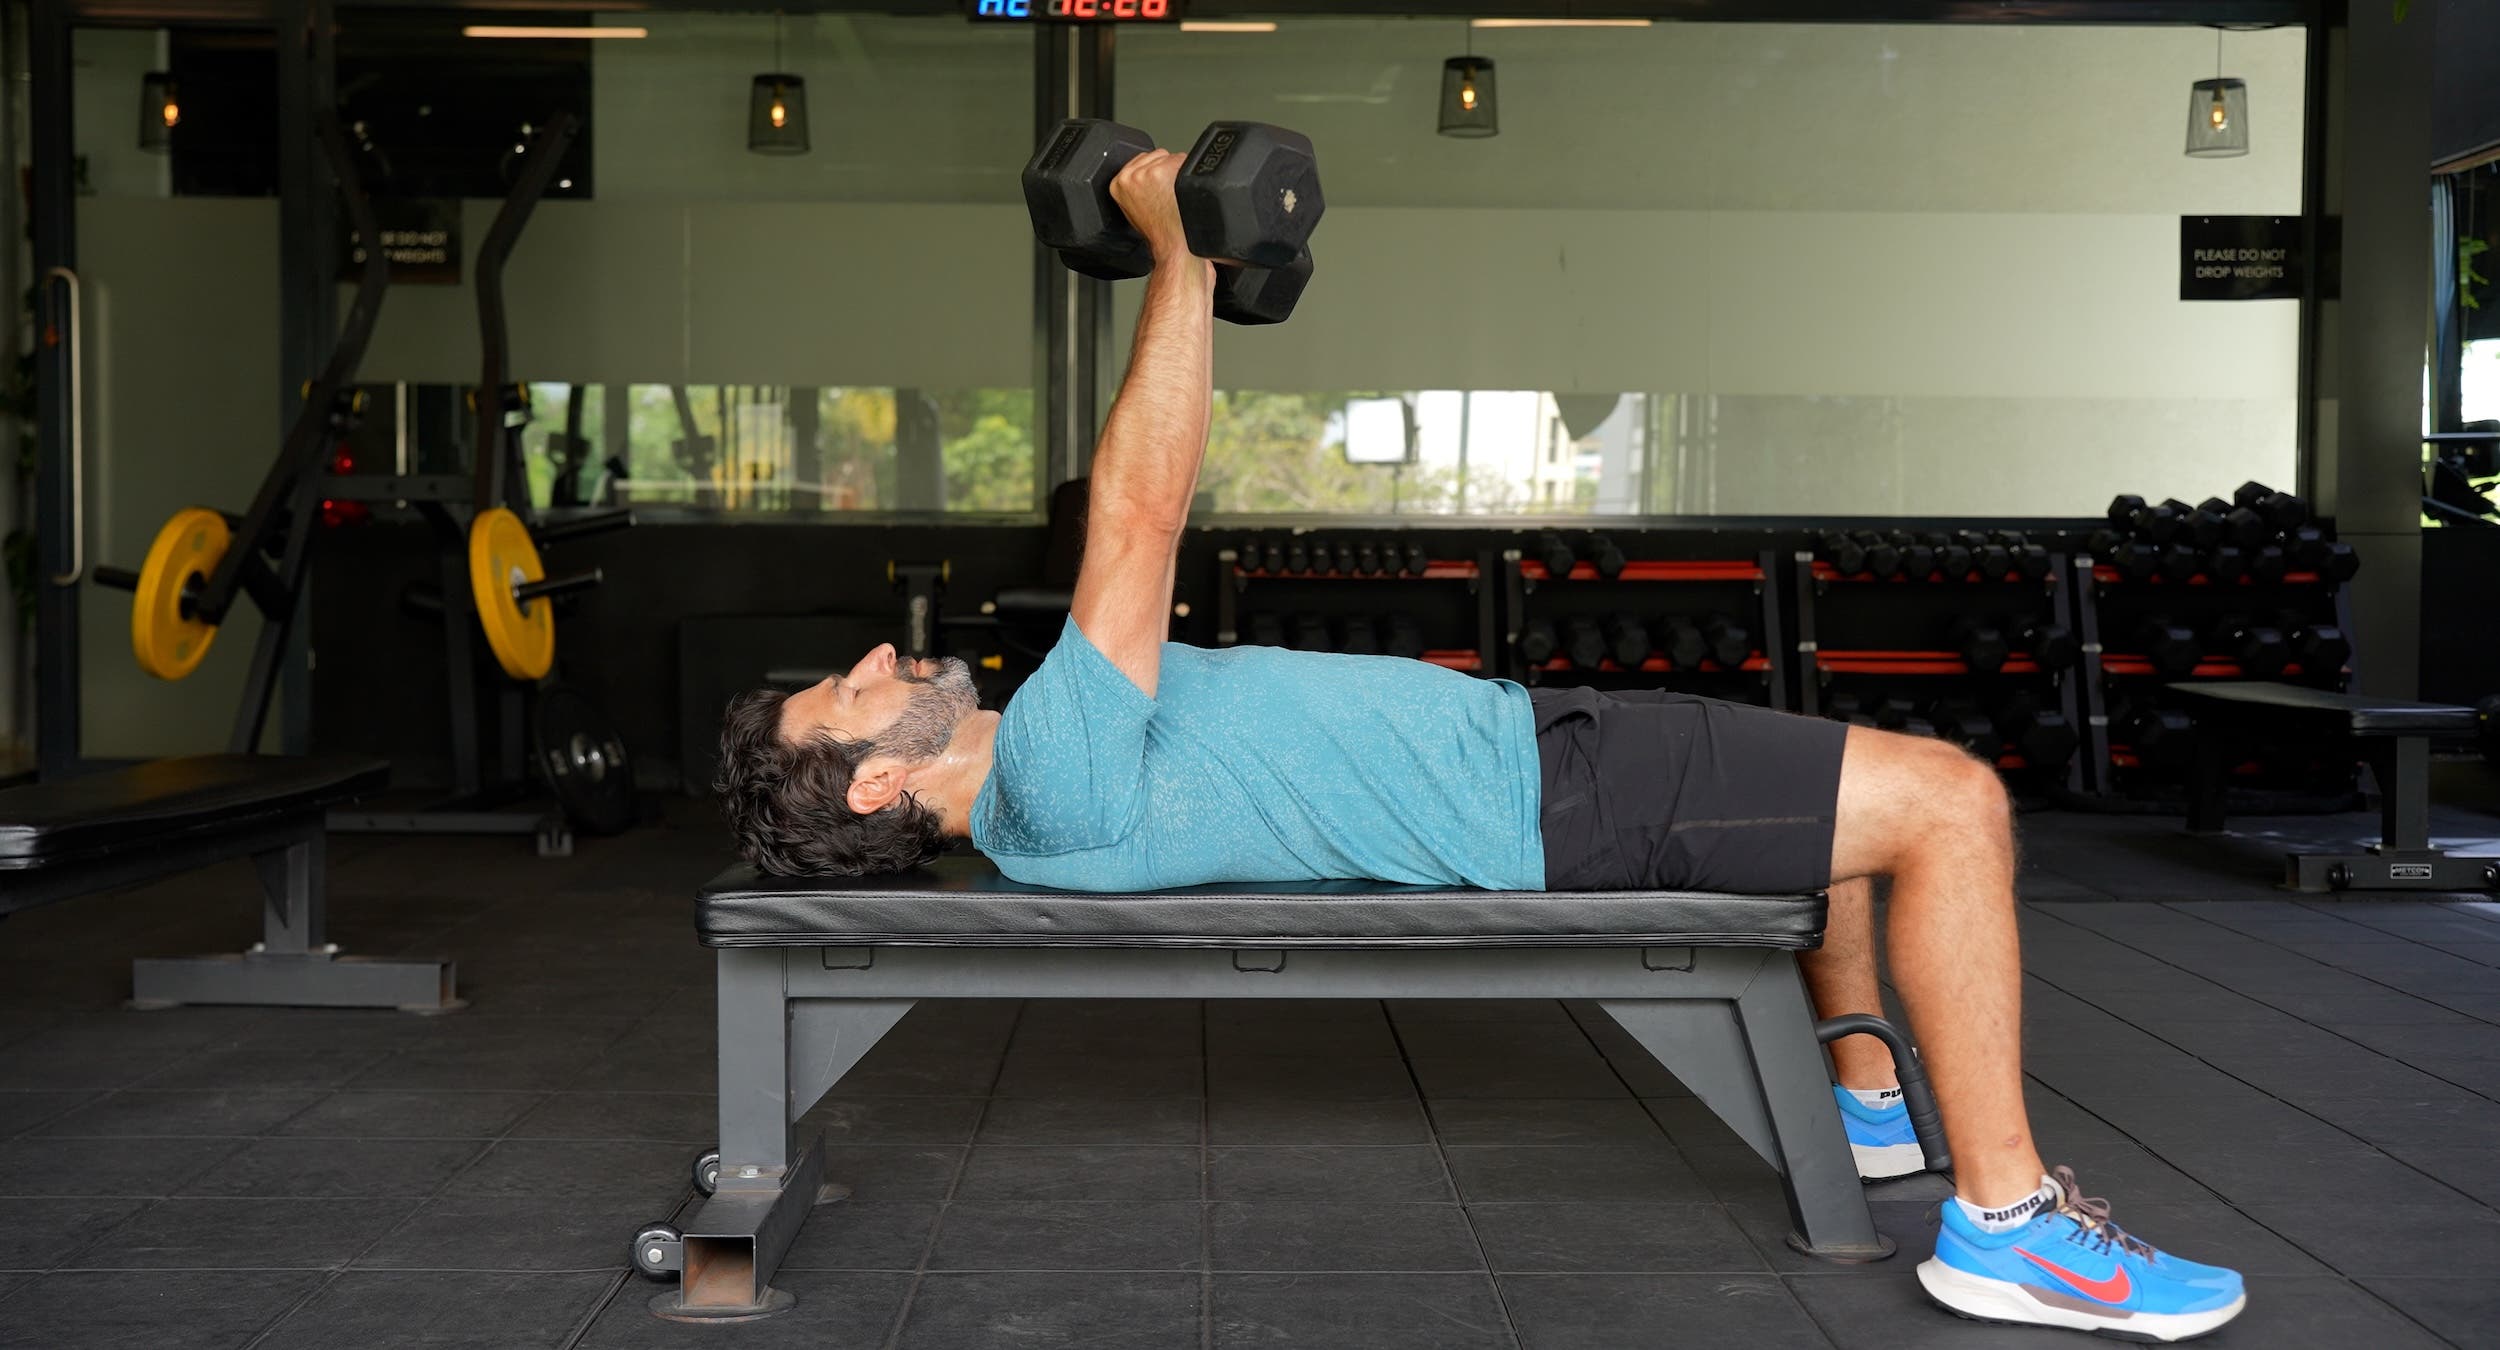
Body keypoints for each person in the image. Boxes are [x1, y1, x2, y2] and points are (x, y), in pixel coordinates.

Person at [715, 146, 2247, 1344]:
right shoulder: (1047, 766)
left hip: (1546, 751)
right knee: (1956, 803)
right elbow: (1138, 511)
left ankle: (1860, 1097)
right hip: (1550, 800)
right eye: (847, 693)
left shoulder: (1049, 782)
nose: (873, 660)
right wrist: (1180, 254)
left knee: (1848, 795)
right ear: (882, 780)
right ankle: (2005, 1219)